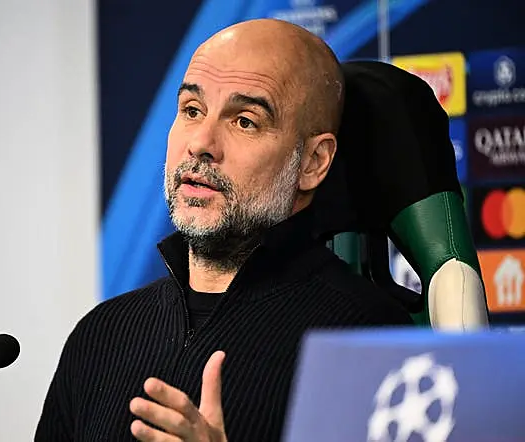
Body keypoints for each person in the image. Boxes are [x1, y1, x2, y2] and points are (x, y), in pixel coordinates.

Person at [35, 18, 413, 442]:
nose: (201, 143)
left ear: (312, 163)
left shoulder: (368, 338)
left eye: (244, 121)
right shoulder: (101, 334)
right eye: (192, 111)